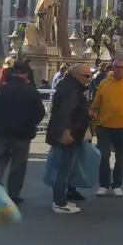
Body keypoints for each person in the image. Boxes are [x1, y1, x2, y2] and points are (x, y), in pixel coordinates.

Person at [0, 61, 46, 204]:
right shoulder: (30, 90)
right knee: (18, 165)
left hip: (2, 131)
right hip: (23, 132)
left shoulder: (2, 88)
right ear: (25, 74)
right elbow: (40, 112)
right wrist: (32, 123)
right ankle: (13, 193)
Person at [46, 64, 93, 213]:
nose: (89, 79)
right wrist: (66, 132)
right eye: (86, 76)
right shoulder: (72, 90)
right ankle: (59, 203)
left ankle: (60, 200)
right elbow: (65, 113)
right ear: (77, 75)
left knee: (63, 169)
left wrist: (86, 113)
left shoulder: (69, 86)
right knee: (63, 170)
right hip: (68, 134)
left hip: (68, 133)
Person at [91, 58, 123, 197]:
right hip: (104, 126)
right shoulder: (104, 83)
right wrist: (93, 121)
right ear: (112, 67)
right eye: (117, 67)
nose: (119, 70)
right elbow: (96, 104)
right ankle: (104, 184)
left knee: (121, 158)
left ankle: (117, 184)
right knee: (104, 156)